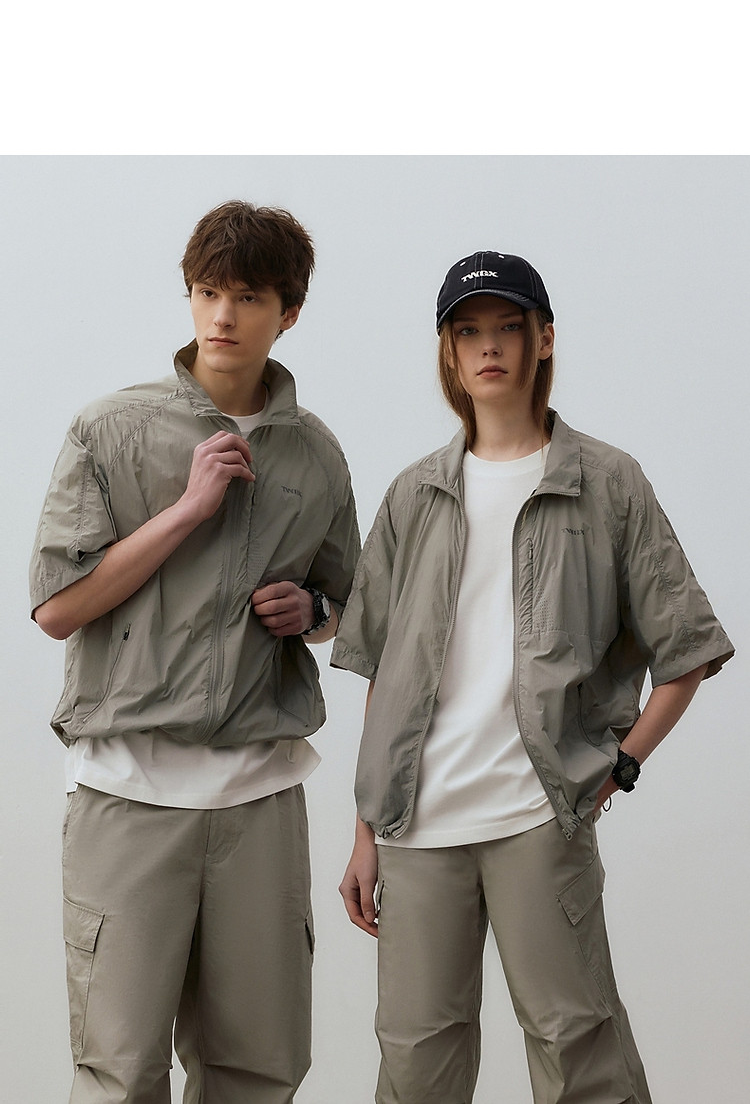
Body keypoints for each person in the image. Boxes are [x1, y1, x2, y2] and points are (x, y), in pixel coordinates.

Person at [332, 250, 733, 1103]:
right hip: (415, 827)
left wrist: (621, 766)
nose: (489, 347)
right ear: (449, 352)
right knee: (415, 1065)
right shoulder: (413, 495)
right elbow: (386, 676)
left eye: (508, 327)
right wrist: (366, 832)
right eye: (468, 332)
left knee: (579, 1049)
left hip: (538, 817)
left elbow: (688, 650)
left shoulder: (607, 482)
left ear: (543, 338)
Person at [29, 200, 360, 1104]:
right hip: (127, 793)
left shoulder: (317, 456)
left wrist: (312, 609)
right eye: (208, 292)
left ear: (288, 312)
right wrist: (187, 510)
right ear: (189, 296)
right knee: (120, 1072)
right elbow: (56, 607)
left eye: (248, 298)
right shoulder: (109, 430)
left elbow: (348, 605)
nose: (223, 317)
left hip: (259, 798)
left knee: (259, 1069)